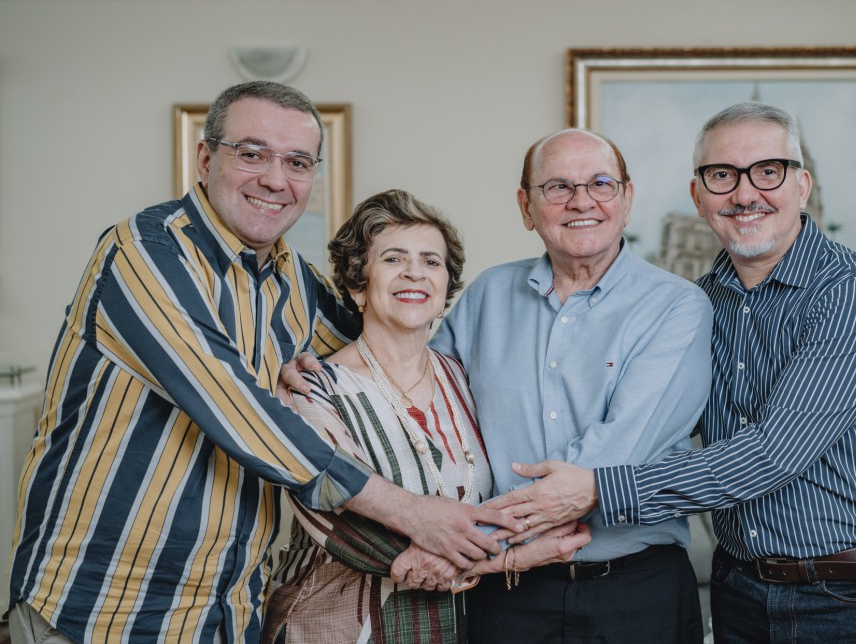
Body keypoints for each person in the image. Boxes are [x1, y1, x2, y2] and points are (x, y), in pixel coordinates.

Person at [5, 82, 517, 644]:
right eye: (252, 154)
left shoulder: (295, 281)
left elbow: (384, 332)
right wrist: (417, 516)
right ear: (205, 159)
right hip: (105, 603)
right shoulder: (146, 251)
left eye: (297, 162)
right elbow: (239, 413)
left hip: (230, 604)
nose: (276, 180)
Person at [494, 102, 856, 643]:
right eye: (722, 175)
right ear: (698, 197)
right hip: (740, 588)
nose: (744, 194)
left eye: (767, 171)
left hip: (854, 595)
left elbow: (774, 453)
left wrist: (598, 488)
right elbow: (650, 421)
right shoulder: (697, 304)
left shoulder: (850, 292)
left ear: (802, 186)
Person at [261, 189, 590, 643]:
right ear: (358, 286)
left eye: (431, 261)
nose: (415, 272)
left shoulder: (464, 379)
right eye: (394, 259)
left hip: (452, 626)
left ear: (444, 291)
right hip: (333, 625)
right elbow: (338, 517)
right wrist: (511, 559)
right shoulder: (312, 387)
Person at [423, 128, 713, 643]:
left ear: (626, 199)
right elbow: (418, 399)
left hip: (636, 591)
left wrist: (467, 546)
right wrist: (335, 370)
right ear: (526, 207)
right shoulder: (488, 295)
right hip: (510, 592)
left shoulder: (677, 306)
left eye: (601, 184)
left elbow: (617, 450)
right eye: (558, 186)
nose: (582, 201)